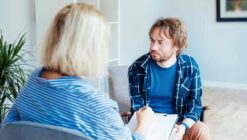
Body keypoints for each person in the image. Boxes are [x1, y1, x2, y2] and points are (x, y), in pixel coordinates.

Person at [2, 3, 154, 140]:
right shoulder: (99, 107)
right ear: (90, 48)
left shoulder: (33, 83)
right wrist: (143, 126)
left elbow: (9, 130)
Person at [128, 18, 211, 140]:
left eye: (160, 42)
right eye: (152, 40)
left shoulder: (190, 66)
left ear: (177, 45)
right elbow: (137, 108)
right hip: (148, 126)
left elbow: (195, 106)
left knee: (201, 130)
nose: (153, 47)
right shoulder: (137, 68)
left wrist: (182, 127)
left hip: (178, 125)